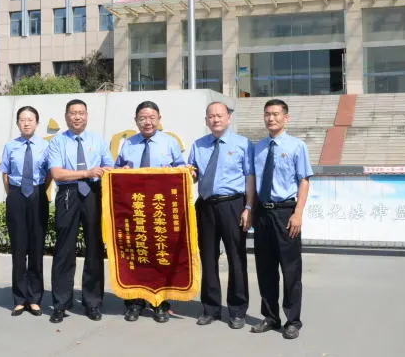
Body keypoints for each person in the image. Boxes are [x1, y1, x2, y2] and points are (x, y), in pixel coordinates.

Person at [115, 100, 185, 323]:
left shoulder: (170, 143)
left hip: (159, 211)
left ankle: (160, 303)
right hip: (134, 211)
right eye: (143, 118)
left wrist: (175, 171)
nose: (147, 122)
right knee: (135, 255)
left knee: (160, 255)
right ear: (136, 121)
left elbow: (182, 169)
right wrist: (122, 170)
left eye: (152, 117)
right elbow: (116, 171)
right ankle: (134, 302)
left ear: (159, 119)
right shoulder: (128, 144)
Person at [45, 98, 114, 324]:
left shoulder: (97, 140)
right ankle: (60, 303)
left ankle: (92, 302)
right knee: (64, 249)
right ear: (66, 117)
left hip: (93, 194)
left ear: (87, 116)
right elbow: (57, 173)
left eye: (81, 113)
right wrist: (87, 173)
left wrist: (111, 171)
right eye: (73, 113)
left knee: (94, 248)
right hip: (68, 194)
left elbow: (109, 167)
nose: (77, 117)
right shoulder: (57, 142)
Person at [189, 102, 255, 330]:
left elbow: (249, 177)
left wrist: (249, 207)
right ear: (206, 120)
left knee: (237, 257)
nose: (215, 120)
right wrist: (187, 173)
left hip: (233, 205)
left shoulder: (243, 144)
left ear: (228, 117)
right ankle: (210, 308)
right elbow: (192, 174)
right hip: (205, 205)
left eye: (219, 115)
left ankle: (237, 310)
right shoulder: (198, 145)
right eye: (211, 116)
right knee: (208, 258)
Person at [250, 99, 313, 340]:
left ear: (286, 118)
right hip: (262, 213)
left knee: (290, 269)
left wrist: (298, 213)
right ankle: (270, 316)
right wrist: (250, 209)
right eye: (267, 114)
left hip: (286, 212)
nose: (271, 118)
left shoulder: (297, 146)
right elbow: (253, 180)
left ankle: (293, 320)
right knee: (265, 268)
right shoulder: (258, 147)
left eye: (276, 114)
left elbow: (304, 180)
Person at [0, 105, 50, 317]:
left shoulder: (46, 146)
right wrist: (14, 194)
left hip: (38, 194)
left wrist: (39, 191)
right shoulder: (10, 146)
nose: (26, 123)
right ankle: (20, 299)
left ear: (37, 123)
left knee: (36, 248)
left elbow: (49, 174)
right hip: (17, 195)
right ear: (17, 123)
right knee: (19, 249)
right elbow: (5, 174)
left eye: (30, 119)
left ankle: (35, 298)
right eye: (22, 119)